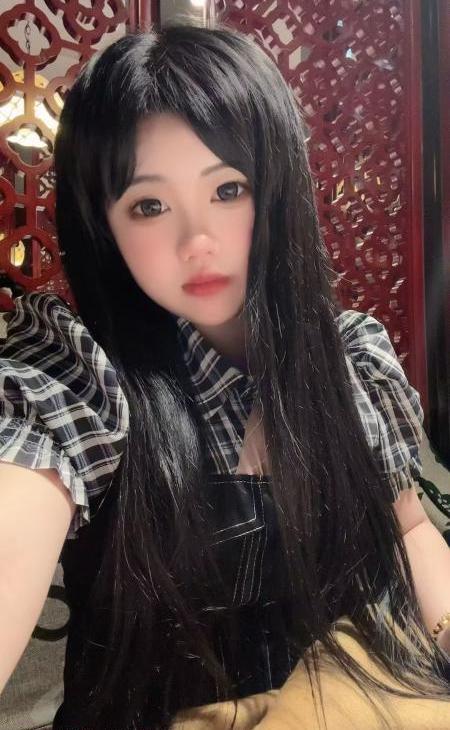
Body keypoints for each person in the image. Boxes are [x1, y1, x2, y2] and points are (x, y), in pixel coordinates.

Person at [0, 20, 449, 730]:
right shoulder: (79, 380)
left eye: (229, 188)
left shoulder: (351, 361)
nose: (197, 241)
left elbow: (410, 528)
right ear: (104, 226)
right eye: (149, 205)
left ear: (279, 190)